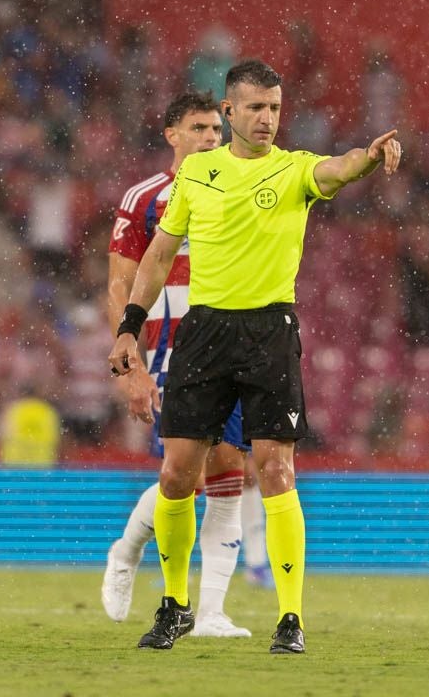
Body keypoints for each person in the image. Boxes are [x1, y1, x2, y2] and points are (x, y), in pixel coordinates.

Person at [109, 59, 402, 654]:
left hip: (269, 330)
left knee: (274, 470)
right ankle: (174, 605)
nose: (268, 118)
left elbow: (338, 167)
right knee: (176, 473)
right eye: (256, 108)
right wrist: (129, 330)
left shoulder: (294, 171)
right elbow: (160, 256)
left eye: (275, 107)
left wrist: (368, 158)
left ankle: (290, 619)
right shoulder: (197, 175)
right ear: (229, 112)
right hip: (204, 332)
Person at [101, 91, 257, 639]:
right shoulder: (146, 198)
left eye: (217, 129)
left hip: (232, 343)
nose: (212, 137)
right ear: (172, 135)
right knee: (182, 475)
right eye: (199, 128)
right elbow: (120, 285)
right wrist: (133, 368)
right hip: (171, 350)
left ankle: (210, 612)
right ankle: (126, 552)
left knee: (232, 473)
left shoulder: (241, 186)